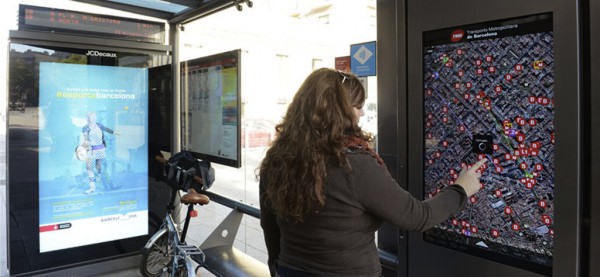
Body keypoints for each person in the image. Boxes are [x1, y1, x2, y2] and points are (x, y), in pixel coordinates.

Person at [258, 68, 486, 277]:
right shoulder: (353, 165)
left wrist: (276, 268)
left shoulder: (277, 159)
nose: (362, 113)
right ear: (338, 113)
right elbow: (417, 216)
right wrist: (461, 189)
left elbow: (270, 226)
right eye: (357, 106)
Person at [79, 111, 119, 194]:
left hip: (101, 151)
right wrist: (85, 145)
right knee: (90, 168)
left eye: (93, 116)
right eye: (90, 117)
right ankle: (94, 186)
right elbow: (86, 139)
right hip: (91, 151)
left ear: (95, 117)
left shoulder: (100, 126)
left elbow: (108, 131)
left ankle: (109, 186)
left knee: (101, 169)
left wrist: (115, 133)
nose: (92, 118)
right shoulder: (85, 128)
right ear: (87, 118)